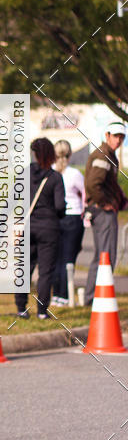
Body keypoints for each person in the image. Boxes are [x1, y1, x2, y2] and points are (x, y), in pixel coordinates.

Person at [14, 138, 65, 320]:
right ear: (51, 154)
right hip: (49, 228)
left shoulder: (25, 173)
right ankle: (42, 311)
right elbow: (60, 206)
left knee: (24, 267)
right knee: (45, 272)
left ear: (34, 153)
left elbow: (14, 200)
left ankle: (21, 308)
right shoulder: (55, 178)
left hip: (27, 227)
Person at [84, 120, 128, 304]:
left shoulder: (108, 155)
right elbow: (93, 185)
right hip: (102, 212)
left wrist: (122, 200)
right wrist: (105, 203)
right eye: (116, 136)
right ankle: (95, 297)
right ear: (107, 136)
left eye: (122, 137)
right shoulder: (103, 156)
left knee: (103, 255)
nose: (118, 140)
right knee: (105, 255)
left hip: (102, 210)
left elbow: (109, 184)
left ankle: (94, 297)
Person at [51, 140, 85, 307]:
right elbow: (84, 194)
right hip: (73, 216)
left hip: (56, 218)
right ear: (70, 154)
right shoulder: (74, 174)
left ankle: (57, 294)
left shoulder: (50, 172)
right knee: (68, 258)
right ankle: (65, 296)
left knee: (56, 258)